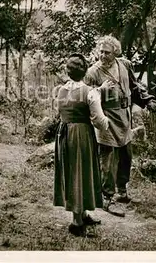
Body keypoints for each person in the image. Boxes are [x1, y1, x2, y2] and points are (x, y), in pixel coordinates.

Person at [84, 35, 156, 217]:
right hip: (106, 119)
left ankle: (122, 191)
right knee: (108, 159)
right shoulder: (93, 72)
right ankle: (107, 197)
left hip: (124, 117)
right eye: (101, 52)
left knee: (126, 155)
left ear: (115, 53)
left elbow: (135, 88)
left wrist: (147, 100)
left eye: (107, 52)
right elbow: (86, 97)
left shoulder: (125, 65)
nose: (102, 56)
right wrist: (101, 91)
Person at [53, 53, 113, 237]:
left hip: (64, 134)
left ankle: (83, 214)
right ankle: (76, 223)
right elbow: (99, 121)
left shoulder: (60, 90)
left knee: (73, 172)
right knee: (81, 171)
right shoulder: (90, 92)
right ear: (85, 71)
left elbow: (60, 111)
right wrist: (108, 122)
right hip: (81, 135)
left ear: (67, 71)